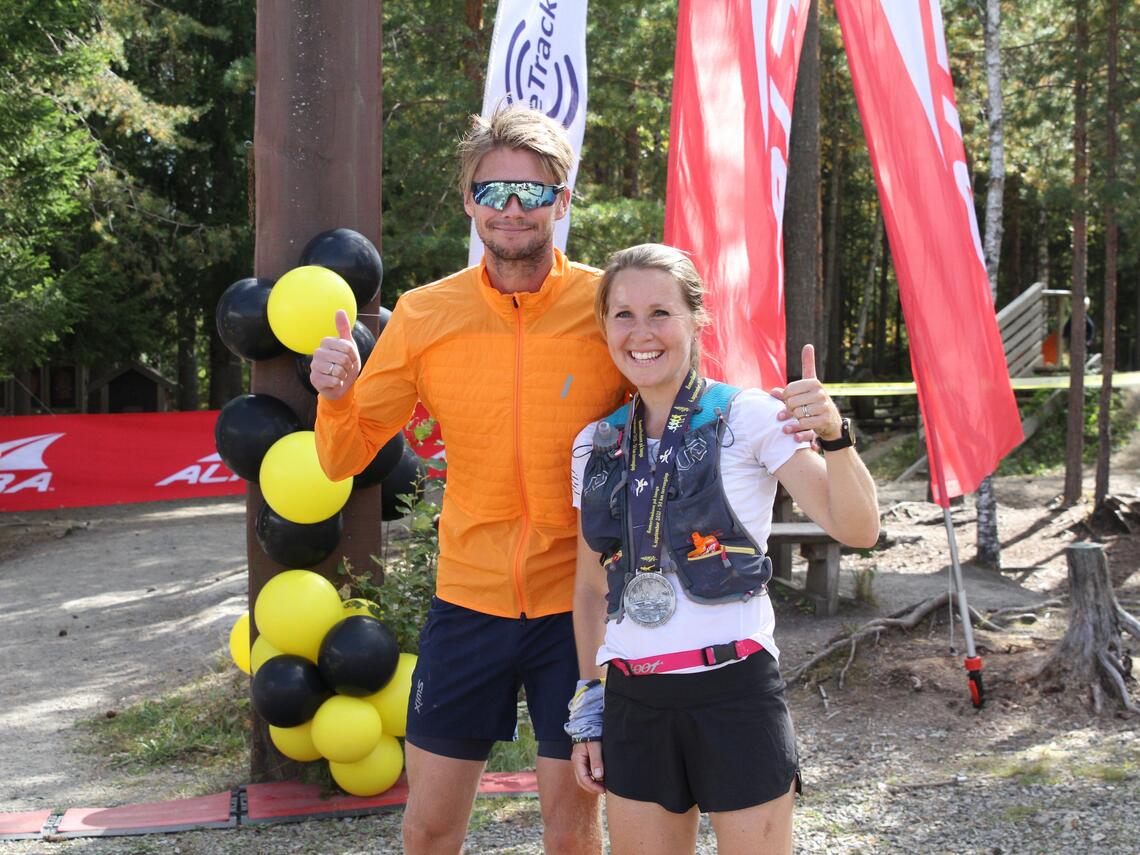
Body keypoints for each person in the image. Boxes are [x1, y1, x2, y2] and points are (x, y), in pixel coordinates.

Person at [308, 105, 629, 855]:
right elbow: (341, 457)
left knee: (573, 828)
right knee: (427, 827)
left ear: (562, 197)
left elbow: (683, 404)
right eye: (492, 192)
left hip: (578, 611)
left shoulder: (607, 305)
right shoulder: (425, 313)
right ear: (468, 203)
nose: (510, 208)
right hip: (467, 603)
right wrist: (335, 397)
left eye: (530, 190)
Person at [566, 244, 880, 855]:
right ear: (604, 326)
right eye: (623, 315)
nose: (641, 332)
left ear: (695, 320)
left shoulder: (750, 416)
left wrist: (835, 436)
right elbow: (588, 588)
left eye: (661, 312)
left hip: (733, 691)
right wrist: (589, 702)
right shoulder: (595, 443)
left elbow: (858, 529)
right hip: (635, 699)